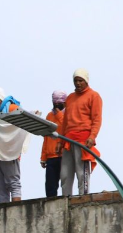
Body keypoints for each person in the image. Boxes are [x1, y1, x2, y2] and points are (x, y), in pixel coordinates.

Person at [56, 68, 103, 196]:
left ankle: (83, 198)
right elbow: (65, 122)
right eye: (75, 80)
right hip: (68, 140)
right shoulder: (70, 98)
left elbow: (97, 119)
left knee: (82, 173)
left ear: (86, 81)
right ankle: (66, 199)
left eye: (80, 80)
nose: (78, 83)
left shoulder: (94, 96)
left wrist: (92, 137)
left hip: (83, 140)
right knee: (65, 174)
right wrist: (60, 140)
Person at [0, 87, 30, 203]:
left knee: (13, 183)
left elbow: (22, 124)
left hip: (10, 153)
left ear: (0, 99)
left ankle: (15, 210)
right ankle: (4, 212)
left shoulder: (11, 108)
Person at [40, 90, 67, 197]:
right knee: (50, 186)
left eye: (59, 102)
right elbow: (46, 137)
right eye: (54, 101)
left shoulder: (67, 114)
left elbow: (65, 126)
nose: (56, 104)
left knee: (65, 183)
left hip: (64, 155)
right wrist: (43, 157)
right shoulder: (49, 115)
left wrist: (59, 114)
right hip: (51, 157)